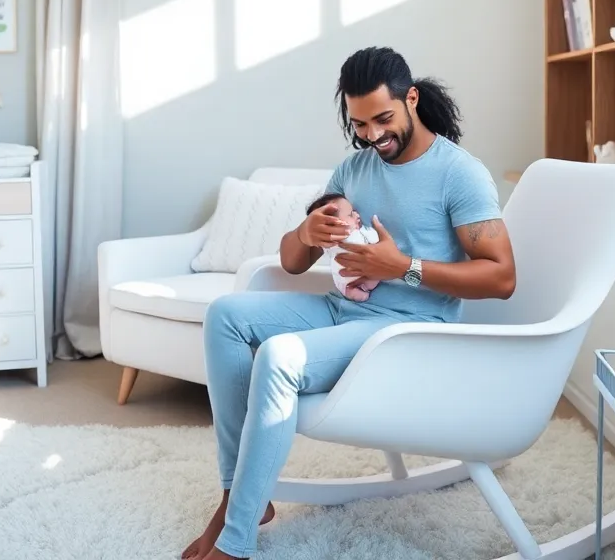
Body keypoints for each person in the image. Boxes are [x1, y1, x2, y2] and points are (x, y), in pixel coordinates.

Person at [182, 46, 517, 560]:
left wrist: (401, 266)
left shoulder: (459, 173)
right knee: (226, 315)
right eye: (359, 124)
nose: (372, 135)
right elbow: (293, 263)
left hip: (407, 331)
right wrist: (306, 232)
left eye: (382, 119)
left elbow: (502, 277)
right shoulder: (353, 169)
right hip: (345, 311)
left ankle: (236, 539)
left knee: (280, 357)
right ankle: (239, 496)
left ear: (411, 99)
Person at [305, 192, 382, 302]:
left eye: (354, 211)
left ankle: (354, 289)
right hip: (347, 279)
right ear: (333, 226)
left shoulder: (359, 233)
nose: (357, 215)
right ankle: (353, 290)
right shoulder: (337, 241)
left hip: (358, 276)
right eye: (350, 215)